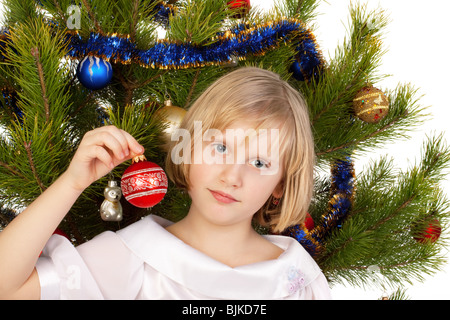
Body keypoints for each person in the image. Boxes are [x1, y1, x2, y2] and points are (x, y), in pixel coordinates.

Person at [0, 67, 331, 299]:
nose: (231, 176)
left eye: (259, 162)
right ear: (189, 149)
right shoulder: (132, 257)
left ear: (281, 184)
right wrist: (72, 183)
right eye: (220, 148)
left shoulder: (297, 280)